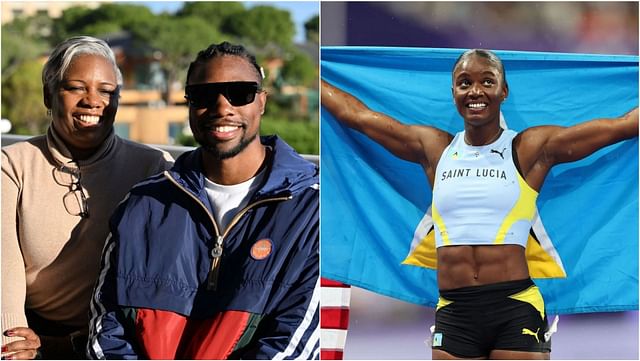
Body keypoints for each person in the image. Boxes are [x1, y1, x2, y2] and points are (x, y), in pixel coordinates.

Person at [321, 49, 638, 360]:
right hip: (454, 310)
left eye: (487, 82)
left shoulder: (529, 148)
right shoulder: (435, 149)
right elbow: (356, 116)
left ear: (504, 90)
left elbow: (620, 126)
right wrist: (312, 75)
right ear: (453, 91)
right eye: (464, 82)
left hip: (515, 306)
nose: (476, 91)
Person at [88, 41, 319, 360]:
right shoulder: (143, 204)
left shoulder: (314, 209)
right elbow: (107, 329)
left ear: (261, 102)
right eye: (204, 95)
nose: (223, 107)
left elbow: (293, 345)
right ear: (189, 104)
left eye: (240, 93)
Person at [1, 36, 173, 360]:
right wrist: (12, 344)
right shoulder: (11, 166)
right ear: (48, 95)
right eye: (76, 87)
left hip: (120, 341)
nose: (92, 101)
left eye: (106, 91)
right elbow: (2, 272)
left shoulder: (153, 167)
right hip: (32, 336)